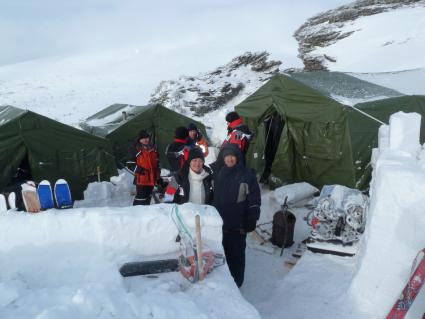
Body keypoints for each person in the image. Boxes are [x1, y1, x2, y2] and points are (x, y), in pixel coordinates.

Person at [213, 143, 261, 287]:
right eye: (227, 156)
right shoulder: (218, 173)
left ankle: (236, 284)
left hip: (238, 226)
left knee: (236, 257)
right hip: (219, 226)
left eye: (232, 156)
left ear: (238, 157)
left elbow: (255, 200)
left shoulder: (247, 176)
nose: (229, 159)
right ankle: (223, 283)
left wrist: (252, 218)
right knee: (220, 256)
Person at [127, 130, 160, 205]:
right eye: (143, 138)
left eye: (147, 138)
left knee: (148, 197)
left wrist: (158, 175)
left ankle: (145, 214)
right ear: (139, 140)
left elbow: (157, 164)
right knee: (140, 198)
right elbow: (130, 164)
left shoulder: (153, 149)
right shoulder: (135, 149)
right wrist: (141, 171)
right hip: (141, 180)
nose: (145, 140)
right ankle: (135, 213)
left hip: (151, 179)